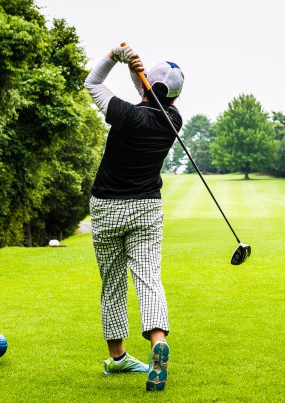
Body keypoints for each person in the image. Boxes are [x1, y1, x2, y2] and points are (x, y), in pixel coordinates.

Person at [84, 44, 184, 392]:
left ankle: (118, 358)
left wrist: (114, 57)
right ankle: (157, 343)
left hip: (107, 207)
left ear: (145, 87)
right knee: (149, 279)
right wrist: (135, 71)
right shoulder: (173, 120)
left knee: (112, 285)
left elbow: (93, 83)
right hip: (146, 208)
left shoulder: (124, 114)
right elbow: (150, 99)